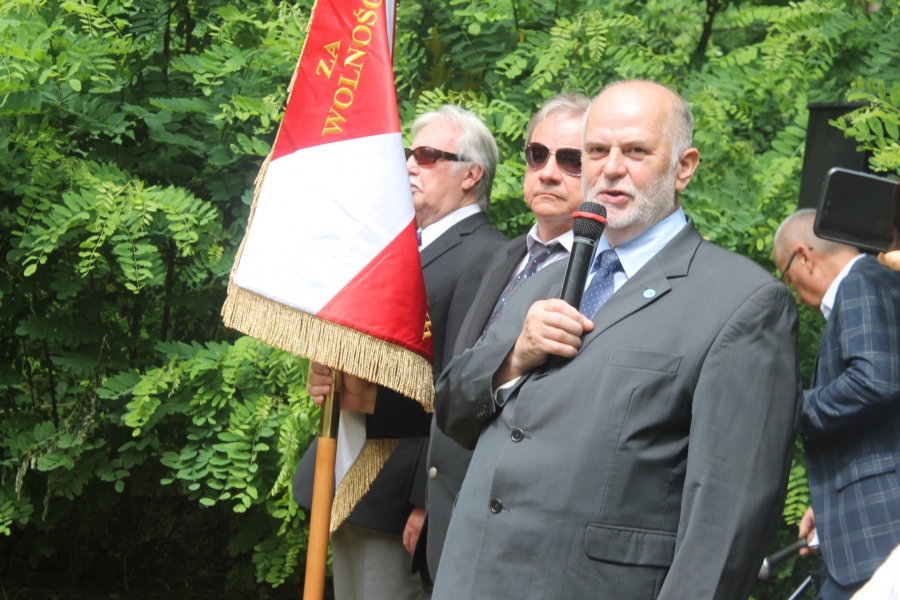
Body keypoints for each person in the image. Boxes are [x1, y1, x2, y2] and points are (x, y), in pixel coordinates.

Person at [431, 79, 802, 600]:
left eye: (635, 151)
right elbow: (451, 410)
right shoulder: (545, 280)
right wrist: (514, 357)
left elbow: (725, 523)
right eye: (597, 151)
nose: (610, 168)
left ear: (685, 167)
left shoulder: (742, 302)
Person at [294, 105, 507, 600]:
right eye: (409, 153)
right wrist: (331, 374)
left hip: (402, 493)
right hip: (347, 472)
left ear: (471, 175)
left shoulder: (487, 255)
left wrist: (427, 499)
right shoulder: (397, 245)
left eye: (428, 155)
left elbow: (463, 391)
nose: (410, 164)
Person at [411, 93, 591, 586]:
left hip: (520, 533)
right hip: (451, 511)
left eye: (570, 160)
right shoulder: (503, 257)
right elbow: (451, 380)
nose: (548, 173)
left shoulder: (601, 274)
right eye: (538, 155)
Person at [774, 209, 900, 600]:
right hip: (868, 524)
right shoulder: (880, 283)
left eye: (787, 277)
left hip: (879, 528)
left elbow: (875, 379)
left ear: (804, 256)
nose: (796, 294)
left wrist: (792, 410)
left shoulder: (860, 283)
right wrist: (831, 507)